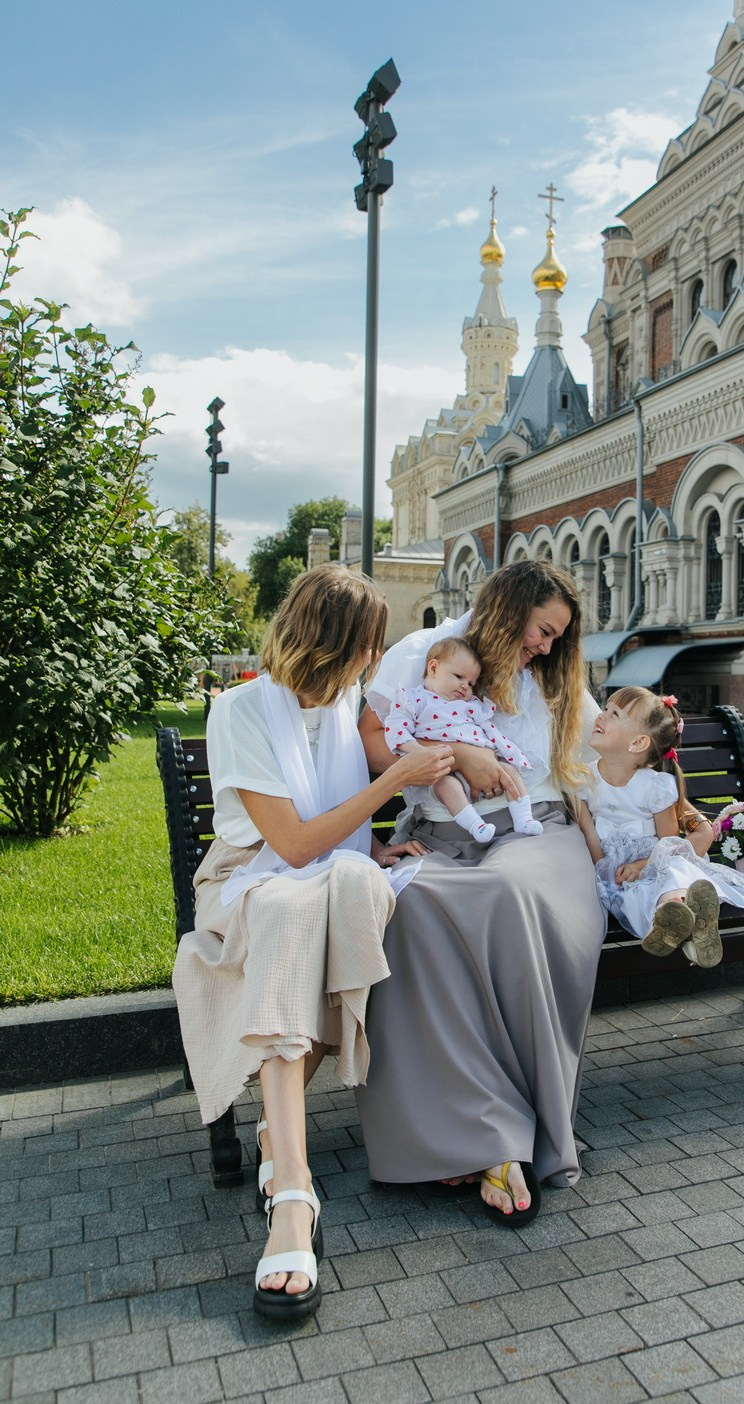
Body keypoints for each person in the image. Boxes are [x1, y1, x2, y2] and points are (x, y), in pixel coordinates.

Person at [172, 565, 453, 1322]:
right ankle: (292, 1194)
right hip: (248, 882)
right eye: (367, 646)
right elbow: (293, 846)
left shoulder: (346, 704)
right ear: (332, 642)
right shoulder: (239, 710)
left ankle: (279, 1137)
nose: (373, 660)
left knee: (364, 891)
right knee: (294, 913)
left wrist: (375, 846)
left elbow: (338, 836)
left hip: (325, 875)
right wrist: (391, 780)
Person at [356, 560, 606, 1226]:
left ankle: (506, 1135)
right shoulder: (426, 654)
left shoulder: (555, 679)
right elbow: (374, 749)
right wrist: (453, 756)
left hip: (537, 835)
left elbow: (603, 761)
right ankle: (463, 1133)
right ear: (508, 607)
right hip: (440, 832)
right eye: (542, 629)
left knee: (503, 891)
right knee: (409, 906)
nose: (548, 647)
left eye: (558, 637)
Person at [576, 686, 744, 966]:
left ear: (637, 743)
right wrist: (606, 871)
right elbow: (589, 832)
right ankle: (687, 928)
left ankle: (676, 909)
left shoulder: (656, 787)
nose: (600, 716)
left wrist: (641, 866)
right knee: (634, 894)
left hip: (653, 860)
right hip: (616, 868)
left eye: (614, 714)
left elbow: (669, 844)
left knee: (671, 873)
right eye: (605, 708)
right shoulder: (583, 779)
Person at [384, 634, 543, 844]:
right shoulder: (414, 699)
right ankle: (476, 826)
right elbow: (396, 729)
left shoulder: (472, 705)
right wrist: (419, 752)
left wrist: (510, 753)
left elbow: (491, 730)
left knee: (511, 772)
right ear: (433, 669)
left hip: (484, 763)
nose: (465, 686)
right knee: (444, 785)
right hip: (444, 769)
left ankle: (524, 818)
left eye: (471, 683)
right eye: (459, 677)